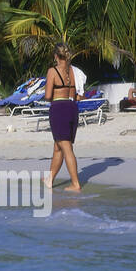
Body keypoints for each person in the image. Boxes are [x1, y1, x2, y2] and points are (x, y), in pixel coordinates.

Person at [44, 44, 82, 191]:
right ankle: (50, 179)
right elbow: (80, 94)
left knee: (66, 148)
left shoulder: (52, 71)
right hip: (72, 108)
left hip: (59, 109)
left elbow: (48, 96)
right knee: (58, 147)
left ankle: (75, 183)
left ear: (55, 56)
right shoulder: (74, 71)